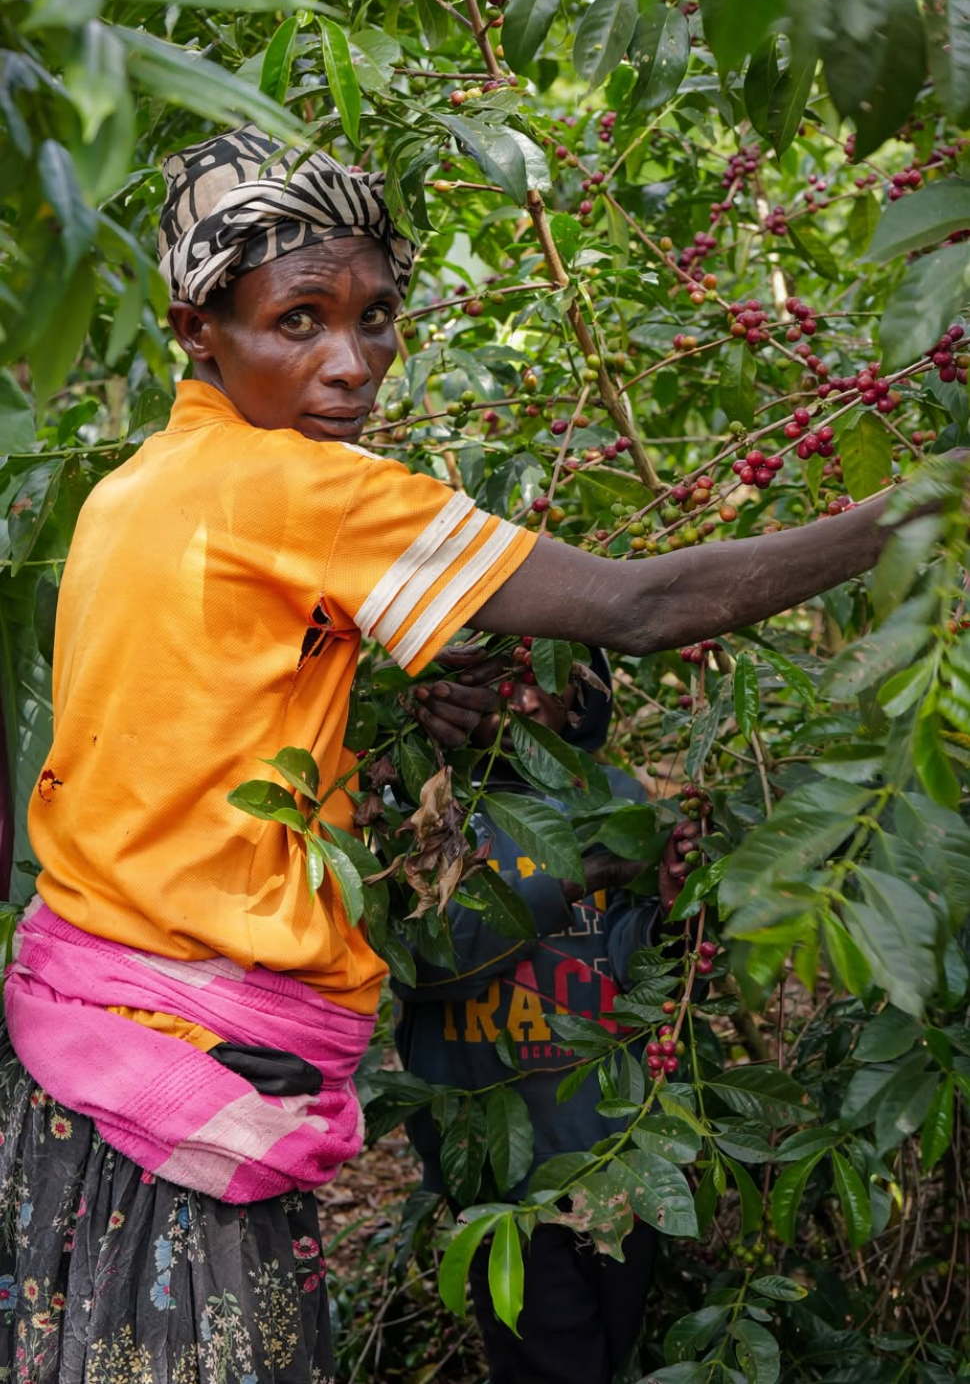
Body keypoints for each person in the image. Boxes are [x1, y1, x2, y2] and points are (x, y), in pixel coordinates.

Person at [0, 123, 953, 1382]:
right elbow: (642, 607)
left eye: (379, 317)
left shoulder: (136, 488)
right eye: (299, 322)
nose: (352, 365)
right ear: (197, 329)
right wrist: (920, 504)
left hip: (88, 1031)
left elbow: (208, 698)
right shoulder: (305, 488)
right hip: (203, 1041)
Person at [396, 648, 669, 1384]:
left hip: (618, 1166)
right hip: (503, 1179)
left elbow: (646, 976)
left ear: (578, 706)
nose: (518, 705)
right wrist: (579, 873)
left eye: (543, 686)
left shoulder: (615, 798)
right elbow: (424, 963)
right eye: (501, 682)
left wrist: (676, 911)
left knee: (609, 1355)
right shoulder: (424, 807)